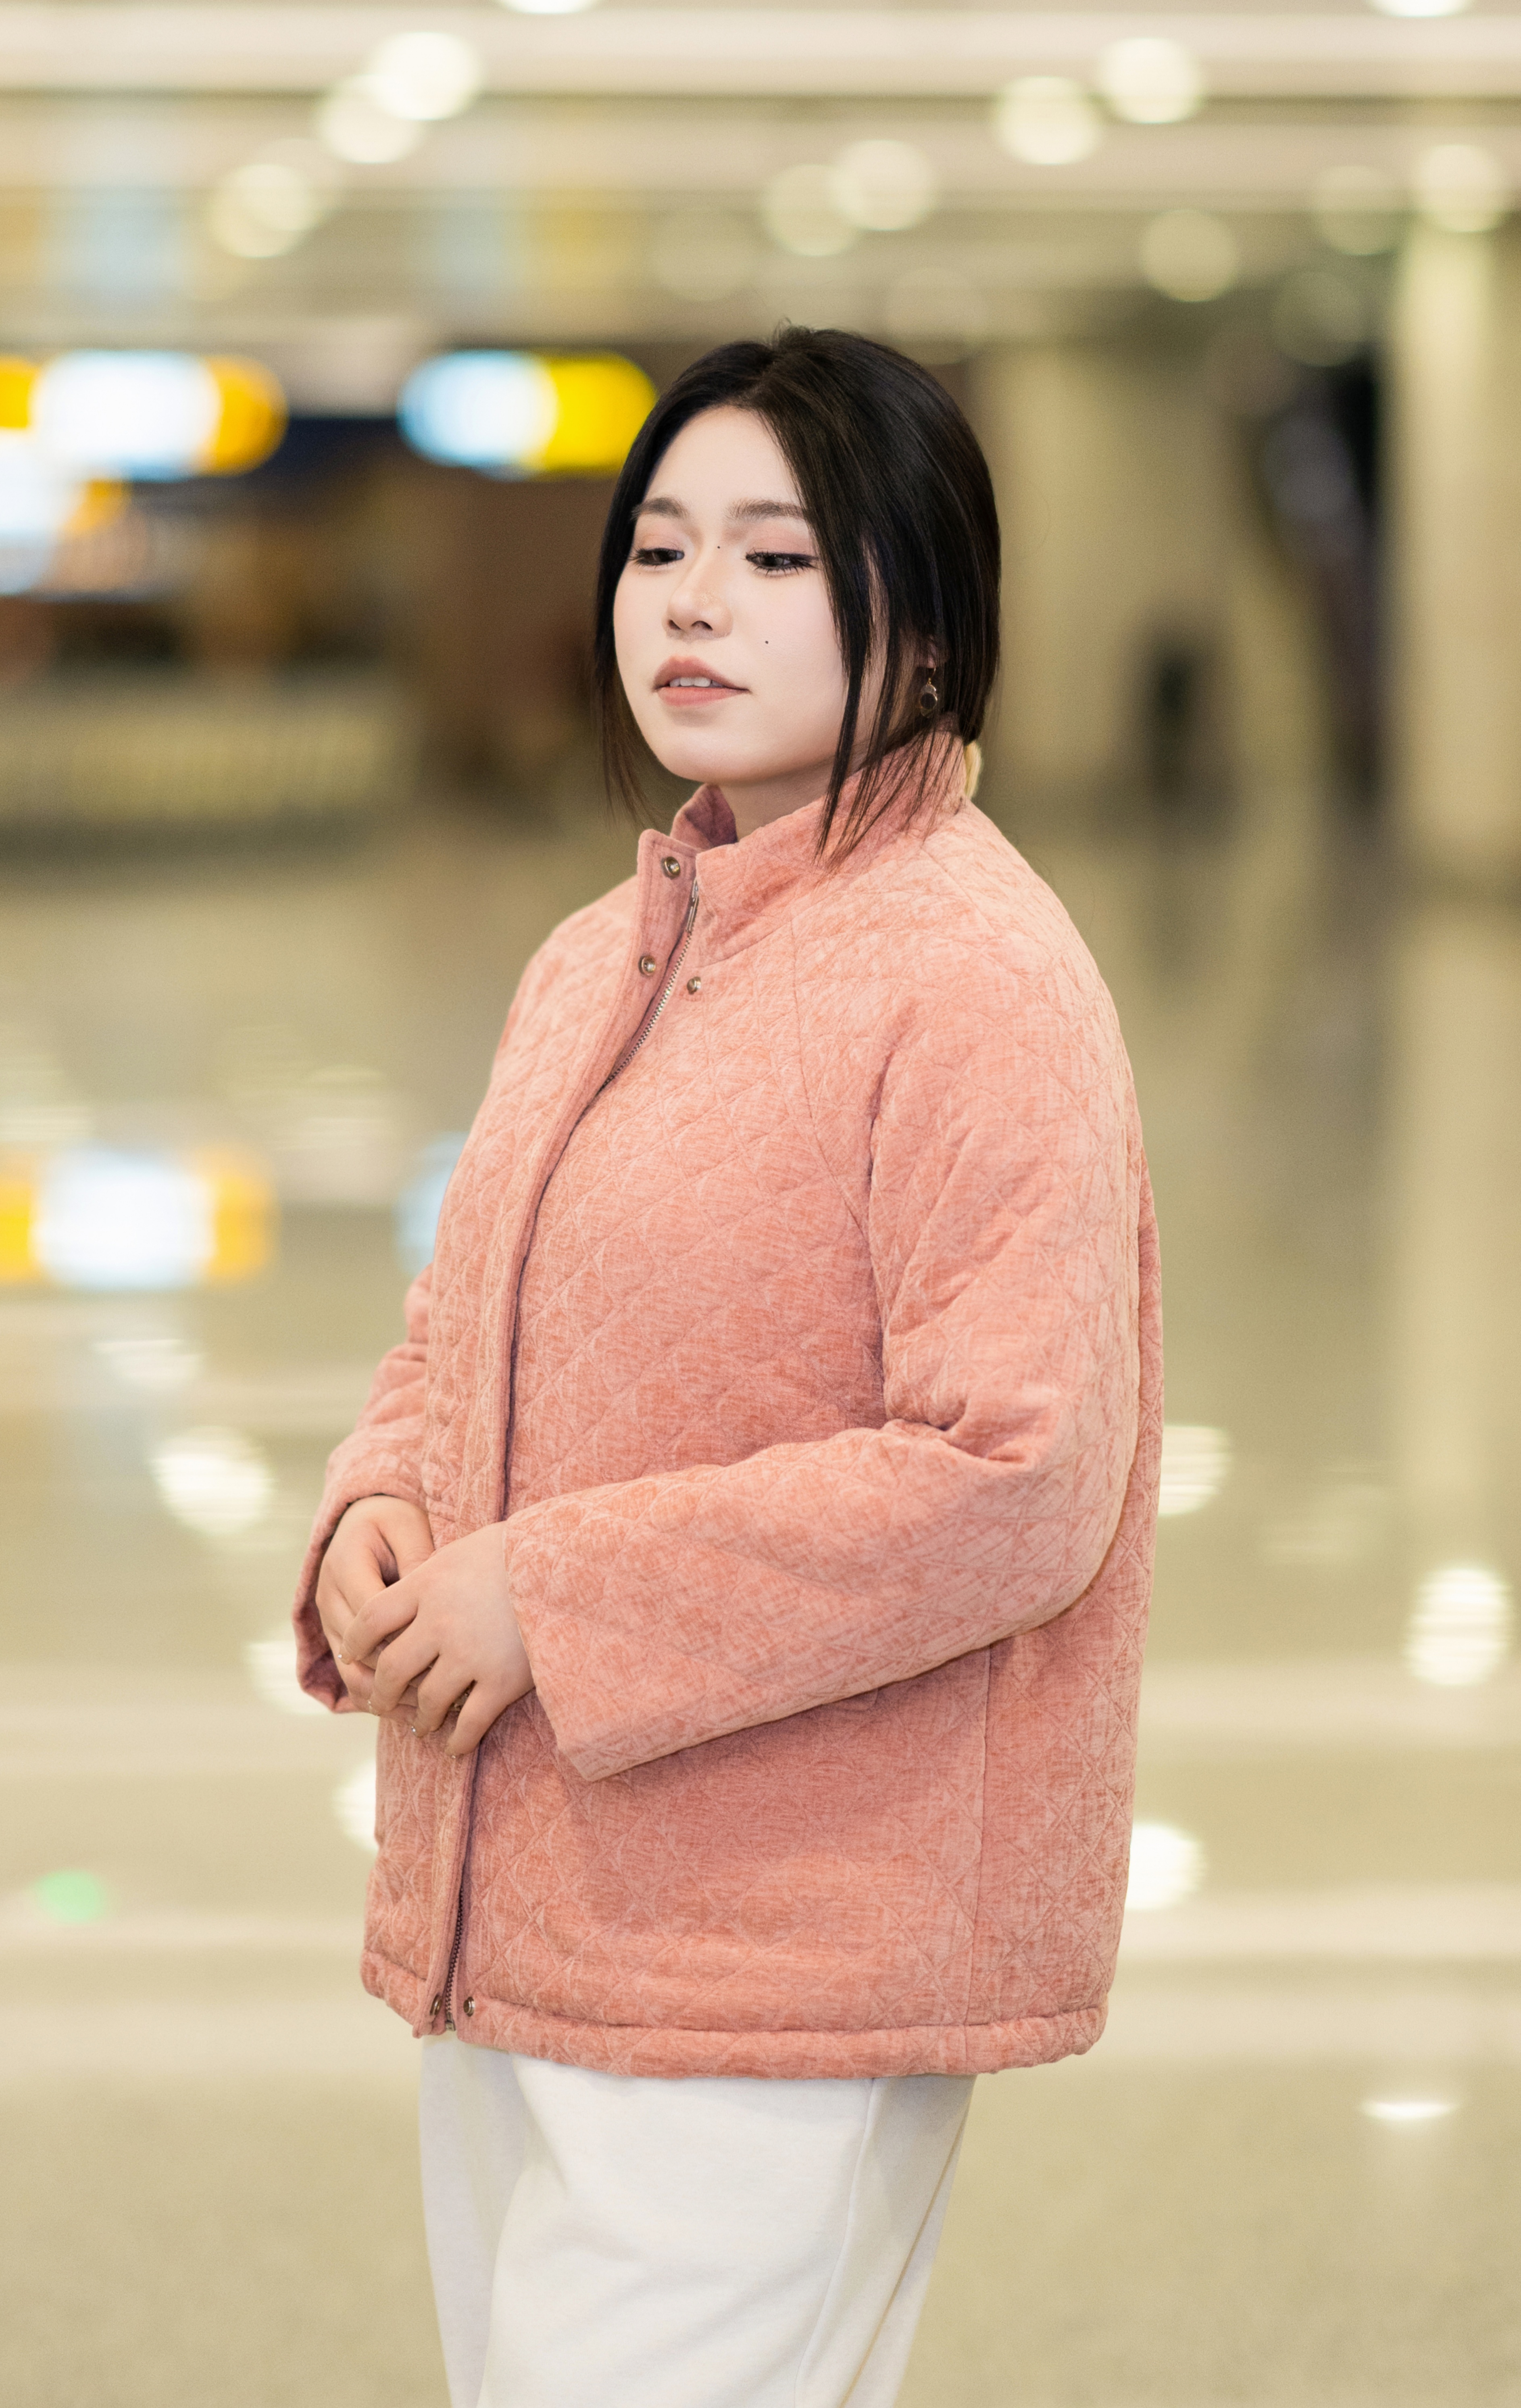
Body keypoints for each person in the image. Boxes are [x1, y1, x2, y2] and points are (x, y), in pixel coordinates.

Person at [295, 326, 1162, 2408]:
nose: (692, 600)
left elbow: (1019, 1474)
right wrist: (381, 1500)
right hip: (536, 1911)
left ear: (927, 625)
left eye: (776, 556)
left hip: (785, 1953)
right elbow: (460, 1318)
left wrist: (551, 1595)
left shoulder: (973, 974)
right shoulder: (602, 950)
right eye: (660, 545)